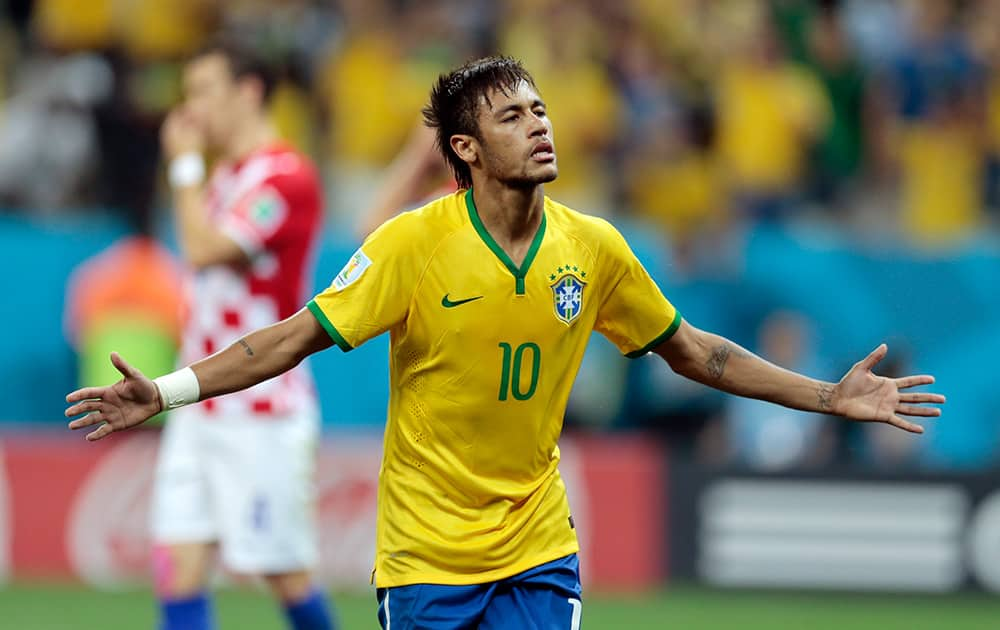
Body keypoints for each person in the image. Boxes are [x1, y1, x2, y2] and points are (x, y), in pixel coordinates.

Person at [67, 56, 944, 630]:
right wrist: (170, 391)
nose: (538, 124)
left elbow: (697, 352)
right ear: (465, 149)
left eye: (540, 108)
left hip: (537, 551)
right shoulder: (412, 245)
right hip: (423, 558)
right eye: (512, 116)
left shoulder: (594, 248)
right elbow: (286, 342)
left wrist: (828, 396)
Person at [142, 40, 336, 630]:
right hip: (197, 402)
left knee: (283, 572)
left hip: (260, 404)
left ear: (249, 91)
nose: (191, 109)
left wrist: (181, 164)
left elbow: (204, 249)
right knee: (178, 565)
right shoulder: (226, 175)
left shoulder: (287, 177)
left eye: (204, 91)